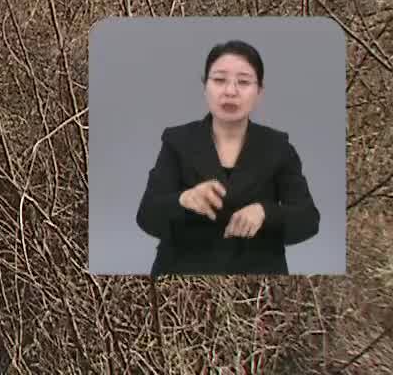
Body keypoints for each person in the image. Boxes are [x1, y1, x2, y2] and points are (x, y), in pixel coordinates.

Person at [134, 40, 321, 275]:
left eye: (243, 82)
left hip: (258, 288)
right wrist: (184, 199)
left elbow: (308, 220)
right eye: (219, 80)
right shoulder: (177, 142)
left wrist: (265, 212)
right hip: (181, 281)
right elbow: (147, 216)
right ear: (205, 87)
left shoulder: (278, 147)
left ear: (259, 92)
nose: (230, 91)